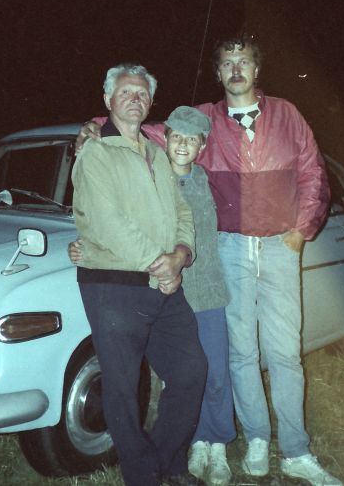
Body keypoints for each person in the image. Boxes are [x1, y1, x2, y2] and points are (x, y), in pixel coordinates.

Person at [77, 35, 341, 486]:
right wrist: (94, 124)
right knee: (240, 354)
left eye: (244, 61)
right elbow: (150, 130)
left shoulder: (288, 114)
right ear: (218, 73)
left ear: (257, 69)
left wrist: (302, 231)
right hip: (230, 247)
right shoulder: (206, 119)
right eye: (227, 63)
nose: (236, 69)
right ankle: (256, 439)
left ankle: (296, 450)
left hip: (279, 246)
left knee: (285, 352)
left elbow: (313, 171)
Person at [71, 106, 236, 486]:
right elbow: (104, 213)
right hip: (130, 282)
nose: (183, 143)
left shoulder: (168, 160)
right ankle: (147, 473)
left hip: (181, 285)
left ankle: (173, 458)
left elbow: (184, 215)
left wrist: (180, 255)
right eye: (177, 136)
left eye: (192, 139)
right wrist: (92, 125)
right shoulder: (119, 155)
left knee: (195, 371)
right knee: (127, 383)